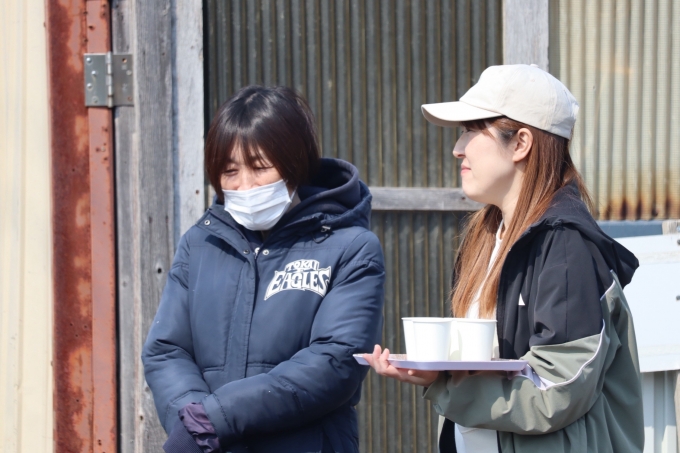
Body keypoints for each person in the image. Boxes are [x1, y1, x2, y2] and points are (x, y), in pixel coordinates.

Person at [364, 64, 644, 452]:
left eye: (471, 130)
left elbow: (558, 390)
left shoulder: (565, 245)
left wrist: (444, 385)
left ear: (521, 144)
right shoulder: (484, 236)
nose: (457, 148)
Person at [143, 85, 385, 453]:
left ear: (295, 162)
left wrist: (214, 420)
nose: (245, 186)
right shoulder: (199, 244)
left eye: (260, 168)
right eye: (229, 171)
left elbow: (335, 360)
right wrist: (193, 424)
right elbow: (166, 350)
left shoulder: (351, 247)